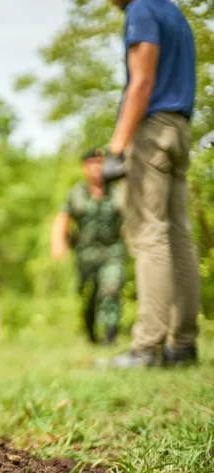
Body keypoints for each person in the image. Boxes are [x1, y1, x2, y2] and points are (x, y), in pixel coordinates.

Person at [98, 0, 200, 368]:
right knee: (178, 236)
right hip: (180, 127)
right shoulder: (174, 12)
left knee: (148, 234)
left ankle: (146, 347)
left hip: (152, 131)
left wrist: (117, 146)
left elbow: (141, 82)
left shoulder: (141, 10)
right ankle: (183, 345)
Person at [51, 148, 127, 345]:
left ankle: (110, 337)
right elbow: (63, 218)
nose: (96, 168)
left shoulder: (118, 191)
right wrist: (58, 243)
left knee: (111, 288)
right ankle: (91, 333)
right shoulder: (76, 193)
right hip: (85, 254)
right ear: (84, 168)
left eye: (100, 163)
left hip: (112, 250)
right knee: (88, 295)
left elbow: (131, 214)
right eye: (91, 164)